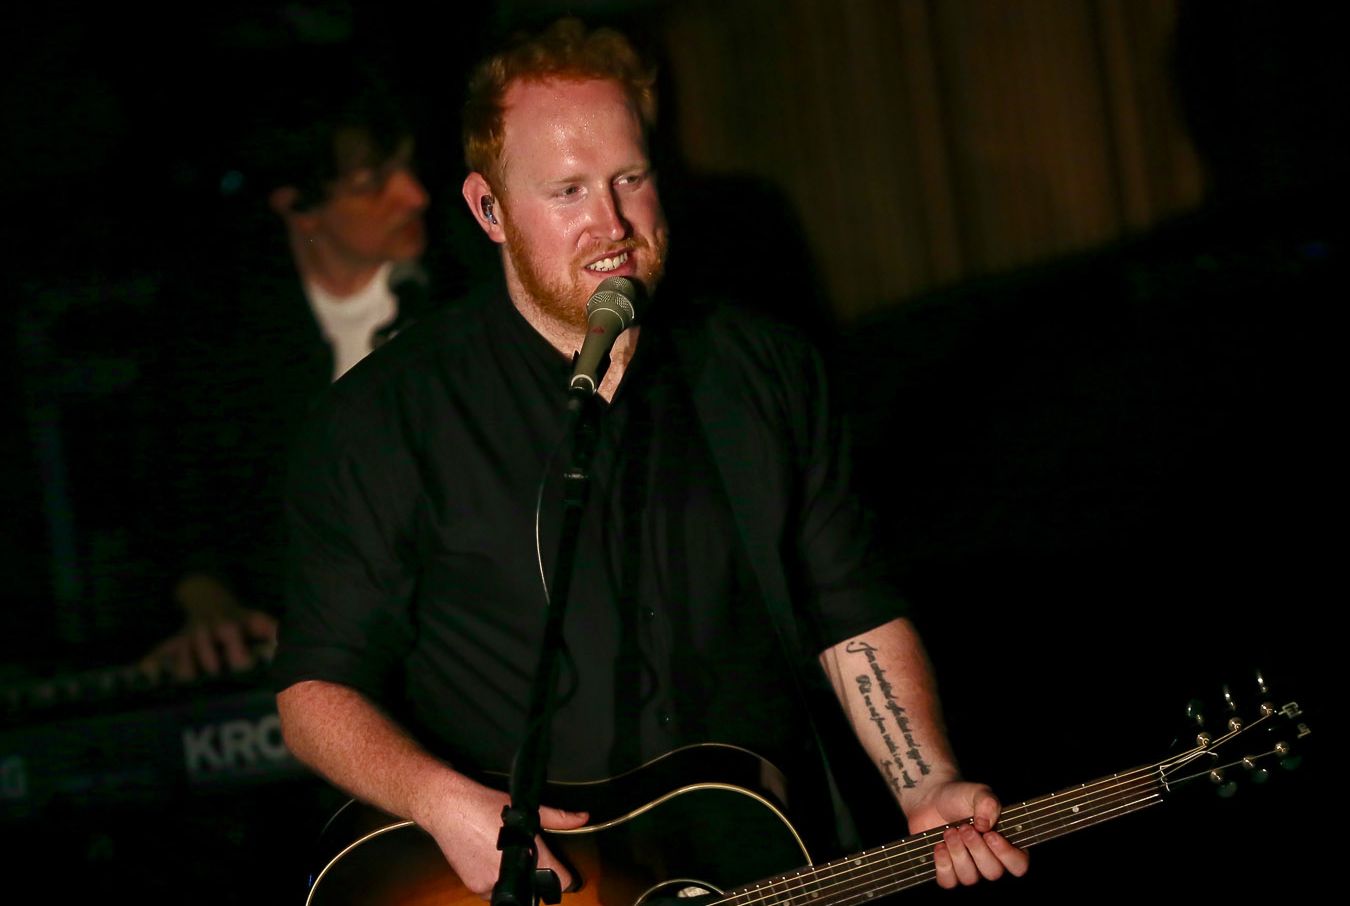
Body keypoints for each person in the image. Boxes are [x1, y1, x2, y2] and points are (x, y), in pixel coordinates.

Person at [273, 16, 1028, 897]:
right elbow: (316, 692)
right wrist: (442, 803)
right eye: (567, 193)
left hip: (757, 861)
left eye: (630, 178)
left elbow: (847, 605)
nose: (613, 223)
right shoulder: (383, 416)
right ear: (488, 209)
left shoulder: (759, 370)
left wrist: (924, 778)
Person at [142, 52, 437, 682]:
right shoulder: (227, 328)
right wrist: (207, 597)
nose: (414, 194)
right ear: (299, 207)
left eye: (407, 165)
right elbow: (179, 484)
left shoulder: (456, 290)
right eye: (370, 183)